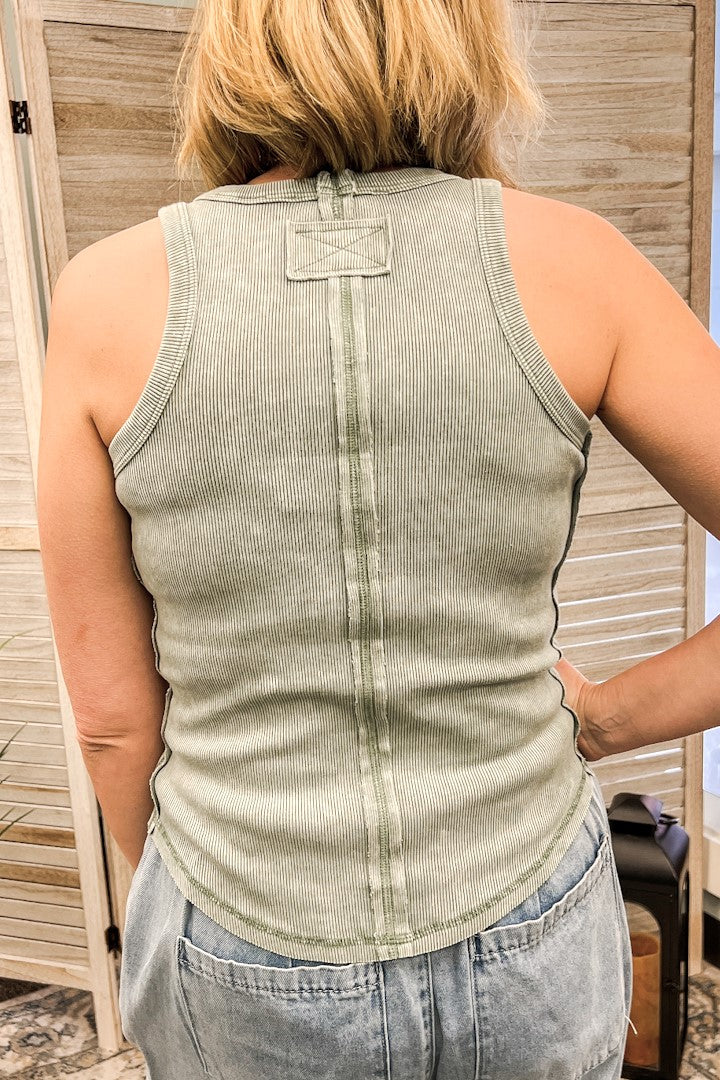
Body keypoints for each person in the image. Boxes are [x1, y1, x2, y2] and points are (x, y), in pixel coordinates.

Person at [36, 1, 719, 1077]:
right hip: (531, 916)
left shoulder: (106, 296)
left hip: (237, 922)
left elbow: (113, 726)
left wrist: (181, 888)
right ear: (466, 41)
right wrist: (604, 718)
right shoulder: (579, 265)